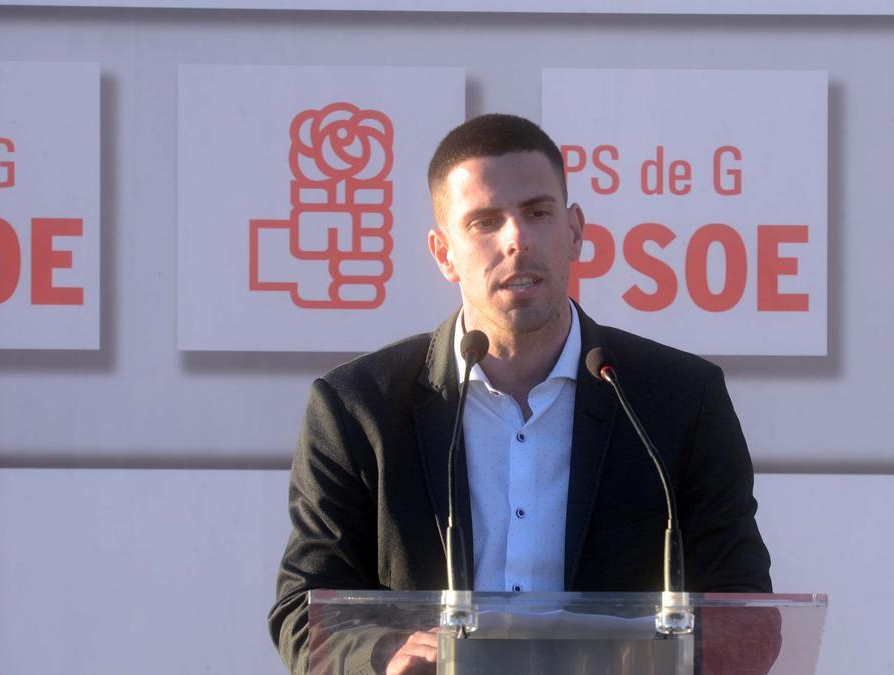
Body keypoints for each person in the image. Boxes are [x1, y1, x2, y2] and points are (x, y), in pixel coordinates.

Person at [268, 113, 772, 675]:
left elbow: (744, 610)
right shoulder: (356, 409)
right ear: (443, 252)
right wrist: (388, 656)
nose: (517, 239)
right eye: (484, 222)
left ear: (575, 230)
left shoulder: (678, 400)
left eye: (537, 213)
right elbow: (302, 610)